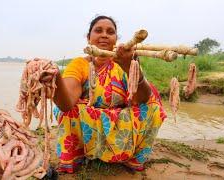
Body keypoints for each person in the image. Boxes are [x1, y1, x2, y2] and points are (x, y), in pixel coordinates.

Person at [50, 15, 167, 173]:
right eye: (98, 30)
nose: (104, 34)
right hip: (88, 123)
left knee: (154, 106)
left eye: (110, 32)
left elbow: (142, 98)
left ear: (116, 39)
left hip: (120, 122)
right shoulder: (79, 64)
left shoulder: (126, 60)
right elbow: (66, 103)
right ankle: (78, 154)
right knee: (68, 111)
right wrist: (55, 76)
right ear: (88, 38)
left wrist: (131, 67)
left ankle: (132, 158)